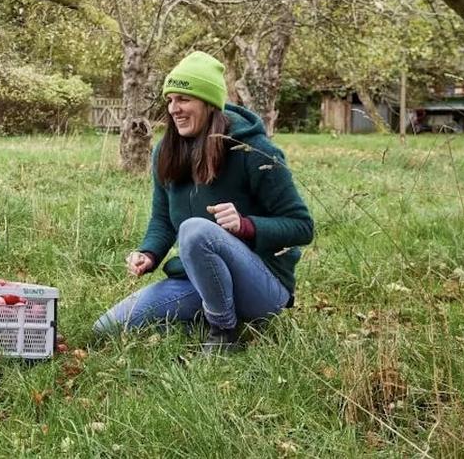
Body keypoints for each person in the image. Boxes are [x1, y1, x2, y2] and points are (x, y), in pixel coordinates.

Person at [93, 51, 314, 354]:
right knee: (107, 328)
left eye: (183, 99)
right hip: (200, 280)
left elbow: (302, 226)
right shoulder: (166, 153)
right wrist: (149, 253)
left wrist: (246, 226)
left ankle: (223, 331)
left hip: (263, 286)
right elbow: (162, 218)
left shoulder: (255, 151)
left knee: (196, 230)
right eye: (170, 100)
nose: (174, 109)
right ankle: (206, 316)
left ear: (209, 103)